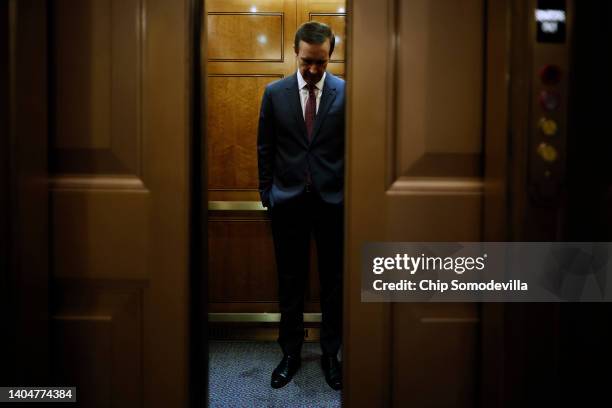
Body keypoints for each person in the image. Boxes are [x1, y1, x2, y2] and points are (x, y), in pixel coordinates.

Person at [257, 21, 345, 391]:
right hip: (288, 204)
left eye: (321, 63)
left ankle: (330, 354)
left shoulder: (346, 92)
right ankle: (290, 352)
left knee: (333, 284)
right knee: (290, 282)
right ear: (296, 52)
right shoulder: (274, 93)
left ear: (330, 56)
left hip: (334, 205)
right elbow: (265, 147)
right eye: (307, 61)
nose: (313, 69)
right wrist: (268, 195)